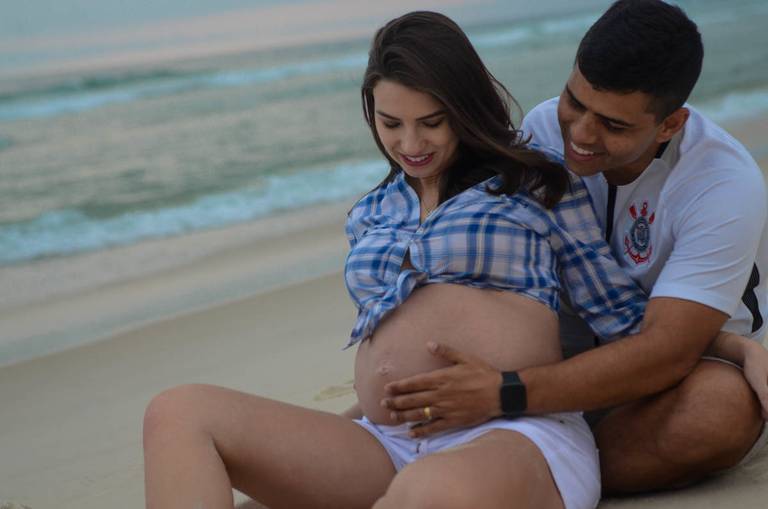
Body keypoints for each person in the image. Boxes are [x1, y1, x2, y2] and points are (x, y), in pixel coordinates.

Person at [143, 11, 648, 509]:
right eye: (391, 123)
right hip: (386, 443)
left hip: (514, 432)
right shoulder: (371, 212)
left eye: (431, 123)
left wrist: (721, 344)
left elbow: (622, 318)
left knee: (428, 492)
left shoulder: (537, 184)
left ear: (466, 109)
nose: (410, 144)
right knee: (179, 412)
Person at [379, 0, 768, 495]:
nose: (580, 134)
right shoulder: (543, 131)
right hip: (546, 366)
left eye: (614, 125)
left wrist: (506, 394)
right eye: (574, 101)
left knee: (719, 410)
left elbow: (666, 353)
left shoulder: (721, 184)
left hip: (666, 380)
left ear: (670, 124)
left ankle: (530, 478)